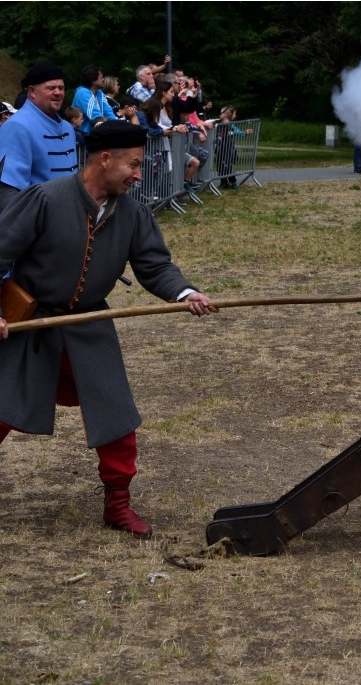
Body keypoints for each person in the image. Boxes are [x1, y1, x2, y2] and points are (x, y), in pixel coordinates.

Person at [0, 120, 219, 536]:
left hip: (89, 326)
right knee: (2, 407)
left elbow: (155, 265)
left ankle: (117, 505)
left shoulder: (132, 212)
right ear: (104, 159)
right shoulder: (45, 199)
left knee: (116, 416)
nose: (140, 174)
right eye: (134, 164)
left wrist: (185, 293)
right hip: (31, 325)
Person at [0, 61, 78, 209]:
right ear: (32, 92)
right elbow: (9, 191)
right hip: (37, 223)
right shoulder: (17, 126)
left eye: (61, 88)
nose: (58, 92)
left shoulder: (67, 128)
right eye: (51, 88)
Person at [70, 65, 116, 135]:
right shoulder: (82, 93)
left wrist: (117, 125)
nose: (103, 79)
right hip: (83, 136)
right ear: (93, 80)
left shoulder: (99, 93)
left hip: (97, 133)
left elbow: (108, 111)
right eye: (101, 78)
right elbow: (95, 116)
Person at [216, 105, 253, 189]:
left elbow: (237, 132)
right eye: (233, 114)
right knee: (220, 165)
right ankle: (223, 182)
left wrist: (245, 133)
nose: (234, 115)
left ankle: (233, 181)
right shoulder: (218, 123)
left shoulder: (231, 125)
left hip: (229, 148)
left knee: (228, 165)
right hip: (220, 148)